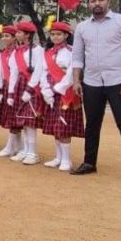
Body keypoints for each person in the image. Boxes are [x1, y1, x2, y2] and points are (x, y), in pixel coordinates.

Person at [69, 0, 121, 187]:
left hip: (119, 82)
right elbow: (77, 57)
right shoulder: (82, 27)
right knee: (92, 125)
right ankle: (89, 163)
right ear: (88, 4)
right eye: (93, 0)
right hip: (92, 82)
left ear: (108, 2)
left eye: (101, 0)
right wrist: (76, 81)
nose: (97, 3)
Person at [40, 21, 84, 172]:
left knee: (64, 125)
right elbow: (43, 72)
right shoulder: (48, 52)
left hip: (66, 92)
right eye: (52, 34)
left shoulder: (72, 52)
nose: (55, 37)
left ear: (66, 35)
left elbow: (72, 73)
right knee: (55, 125)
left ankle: (66, 159)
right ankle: (58, 157)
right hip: (50, 92)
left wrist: (58, 88)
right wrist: (46, 90)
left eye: (59, 34)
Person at [7, 21, 45, 165]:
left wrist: (29, 89)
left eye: (19, 32)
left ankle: (32, 153)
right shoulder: (17, 51)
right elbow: (13, 73)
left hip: (32, 87)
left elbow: (39, 70)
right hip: (20, 86)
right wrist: (11, 93)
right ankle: (24, 150)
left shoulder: (38, 50)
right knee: (22, 120)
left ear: (28, 35)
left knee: (30, 121)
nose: (16, 35)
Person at [0, 25, 23, 158]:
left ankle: (10, 147)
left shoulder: (18, 52)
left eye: (7, 36)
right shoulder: (3, 53)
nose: (4, 38)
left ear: (14, 38)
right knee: (12, 118)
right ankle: (19, 147)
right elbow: (0, 73)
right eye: (3, 36)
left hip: (18, 87)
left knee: (15, 118)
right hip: (7, 86)